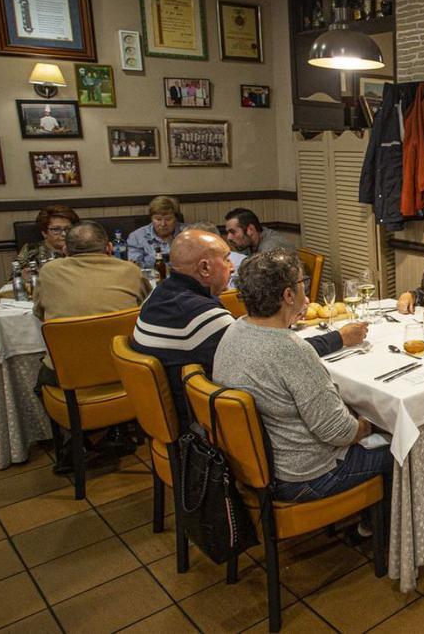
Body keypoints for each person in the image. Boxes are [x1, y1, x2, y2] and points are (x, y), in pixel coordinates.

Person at [213, 249, 392, 504]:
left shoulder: (234, 329)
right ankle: (386, 534)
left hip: (249, 468)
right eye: (301, 284)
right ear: (288, 295)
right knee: (403, 448)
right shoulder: (290, 349)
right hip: (303, 477)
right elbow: (340, 432)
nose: (304, 291)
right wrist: (371, 423)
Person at [132, 229, 363, 415]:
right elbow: (275, 356)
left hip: (163, 411)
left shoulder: (159, 294)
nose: (232, 266)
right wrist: (339, 337)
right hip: (200, 421)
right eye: (225, 259)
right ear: (204, 267)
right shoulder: (201, 314)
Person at [33, 221, 153, 473]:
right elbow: (145, 307)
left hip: (72, 376)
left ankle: (76, 442)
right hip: (125, 367)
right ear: (109, 247)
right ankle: (117, 430)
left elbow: (39, 312)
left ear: (65, 250)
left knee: (40, 378)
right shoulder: (130, 270)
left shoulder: (49, 272)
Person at [127, 195, 186, 268]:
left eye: (168, 219)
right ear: (151, 219)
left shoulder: (188, 233)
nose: (163, 224)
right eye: (158, 219)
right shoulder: (136, 237)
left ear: (176, 218)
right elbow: (135, 266)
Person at [223, 207, 297, 256]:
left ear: (250, 229)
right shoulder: (248, 243)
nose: (229, 237)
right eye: (228, 232)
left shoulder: (270, 248)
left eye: (233, 232)